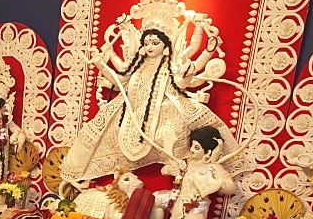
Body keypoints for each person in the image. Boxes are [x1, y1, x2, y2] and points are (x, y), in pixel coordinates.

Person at [60, 28, 242, 186]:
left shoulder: (170, 66)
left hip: (164, 112)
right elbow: (118, 79)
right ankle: (79, 172)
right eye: (147, 43)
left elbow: (182, 82)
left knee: (175, 133)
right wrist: (100, 63)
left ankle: (182, 170)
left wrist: (206, 54)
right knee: (97, 130)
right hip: (129, 112)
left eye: (155, 42)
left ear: (165, 46)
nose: (150, 47)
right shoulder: (137, 66)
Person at [152, 125, 239, 219]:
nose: (192, 150)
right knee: (154, 199)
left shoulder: (214, 167)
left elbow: (231, 188)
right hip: (179, 200)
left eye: (197, 147)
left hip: (197, 206)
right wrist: (173, 167)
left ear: (208, 151)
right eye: (192, 146)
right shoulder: (187, 162)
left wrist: (217, 182)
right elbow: (164, 170)